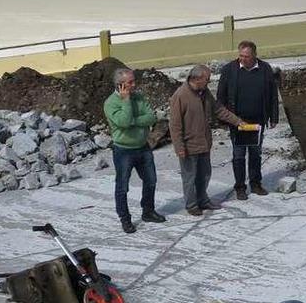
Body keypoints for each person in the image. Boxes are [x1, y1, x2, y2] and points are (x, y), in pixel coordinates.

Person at [169, 65, 245, 216]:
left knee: (204, 175)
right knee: (190, 178)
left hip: (204, 143)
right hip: (188, 146)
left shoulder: (204, 93)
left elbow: (218, 110)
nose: (209, 82)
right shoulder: (180, 96)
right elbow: (175, 125)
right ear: (196, 79)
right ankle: (191, 205)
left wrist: (238, 121)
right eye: (207, 79)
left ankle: (203, 200)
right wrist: (179, 147)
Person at [104, 68, 166, 234]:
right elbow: (123, 122)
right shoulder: (111, 103)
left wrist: (134, 121)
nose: (134, 84)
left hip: (143, 147)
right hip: (123, 150)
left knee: (151, 180)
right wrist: (125, 102)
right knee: (123, 186)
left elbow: (151, 117)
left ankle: (148, 211)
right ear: (120, 85)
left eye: (133, 81)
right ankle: (125, 219)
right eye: (130, 82)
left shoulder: (138, 97)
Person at [216, 40, 280, 200]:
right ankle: (240, 187)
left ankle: (256, 184)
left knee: (255, 154)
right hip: (236, 121)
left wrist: (274, 117)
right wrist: (223, 121)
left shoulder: (265, 69)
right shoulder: (229, 70)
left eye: (246, 56)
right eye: (241, 56)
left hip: (257, 120)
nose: (243, 59)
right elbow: (221, 96)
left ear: (254, 55)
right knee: (238, 155)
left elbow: (272, 95)